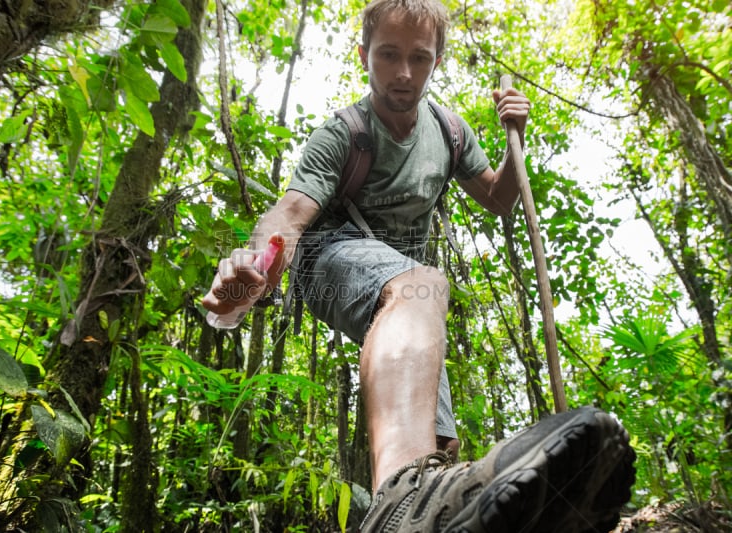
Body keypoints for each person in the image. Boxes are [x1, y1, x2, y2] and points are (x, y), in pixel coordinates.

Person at [203, 0, 636, 530]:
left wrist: (512, 135)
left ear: (437, 61)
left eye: (419, 58)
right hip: (329, 260)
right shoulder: (343, 134)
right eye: (388, 55)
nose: (403, 73)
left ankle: (426, 510)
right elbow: (291, 214)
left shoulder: (450, 132)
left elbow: (500, 200)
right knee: (420, 285)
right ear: (364, 54)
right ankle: (396, 506)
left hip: (406, 292)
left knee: (440, 447)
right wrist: (253, 267)